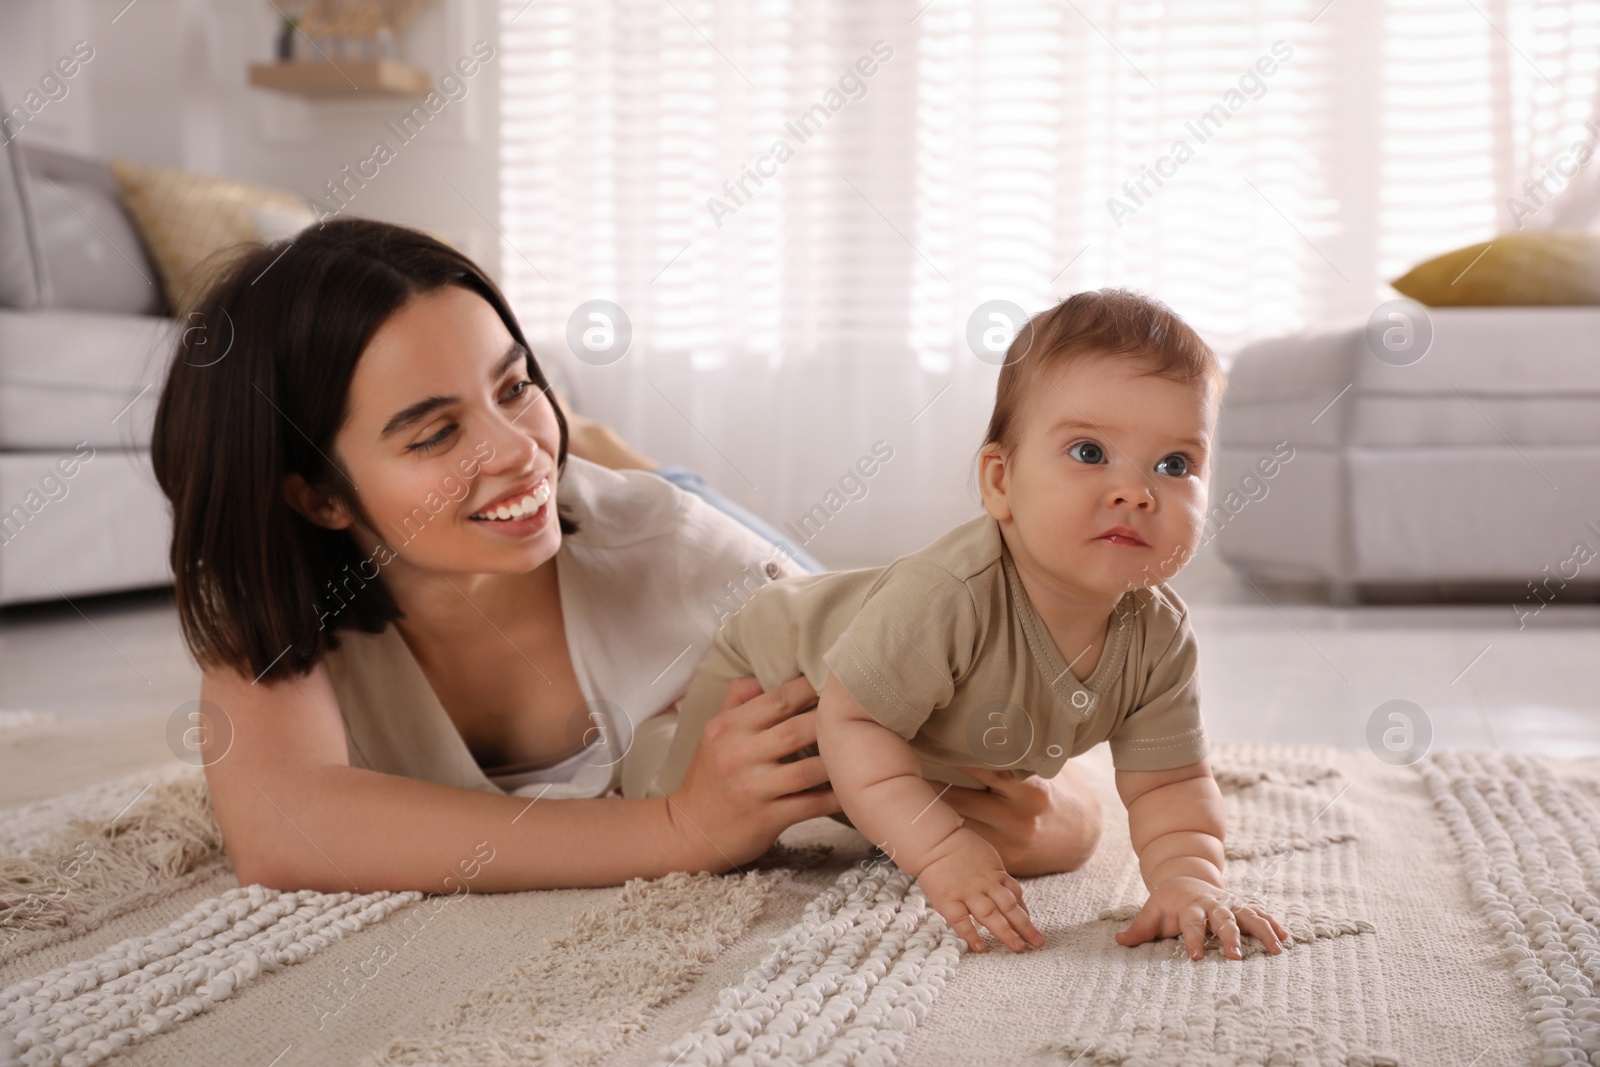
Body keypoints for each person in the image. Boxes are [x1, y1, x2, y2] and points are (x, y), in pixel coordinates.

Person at [149, 217, 1102, 894]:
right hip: (602, 528)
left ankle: (635, 463)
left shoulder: (687, 564)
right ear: (312, 494)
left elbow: (1060, 811)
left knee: (679, 514)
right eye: (435, 433)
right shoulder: (265, 588)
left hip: (677, 547)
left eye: (516, 385)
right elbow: (284, 830)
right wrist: (674, 828)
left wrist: (1026, 819)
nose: (519, 446)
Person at [651, 290, 1291, 961]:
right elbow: (854, 723)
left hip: (923, 726)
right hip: (780, 669)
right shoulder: (950, 596)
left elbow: (1171, 783)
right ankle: (656, 717)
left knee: (934, 797)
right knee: (694, 818)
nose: (1136, 490)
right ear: (999, 481)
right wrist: (941, 850)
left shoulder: (1158, 637)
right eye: (1089, 451)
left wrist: (1188, 880)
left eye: (1174, 465)